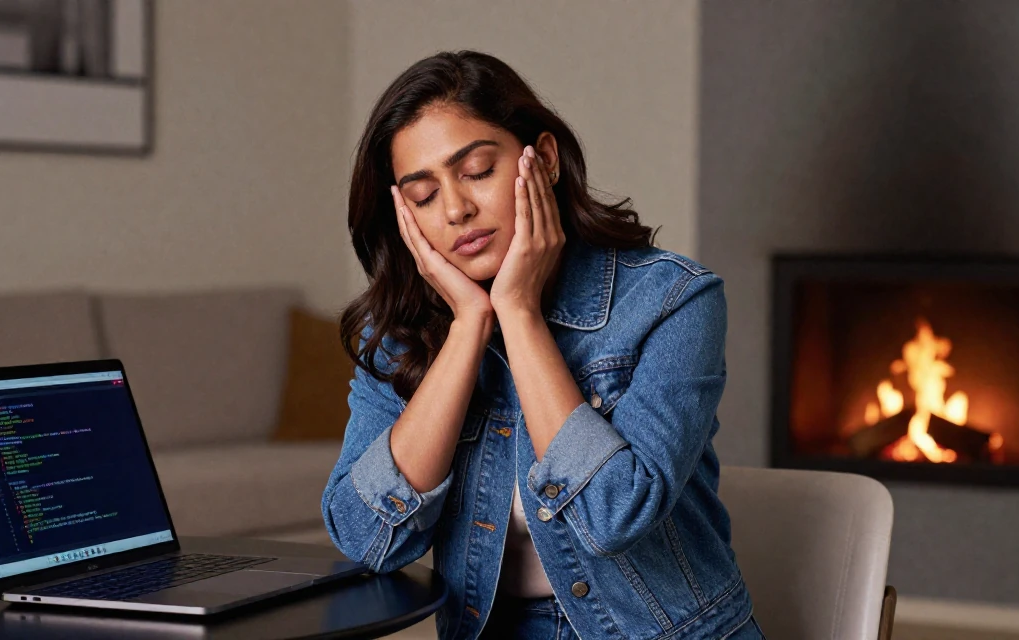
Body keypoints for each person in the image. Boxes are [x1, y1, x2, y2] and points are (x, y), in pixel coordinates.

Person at [322, 50, 765, 639]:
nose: (456, 209)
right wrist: (468, 329)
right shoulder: (401, 334)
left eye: (478, 170)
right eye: (424, 196)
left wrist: (520, 313)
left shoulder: (671, 301)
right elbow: (367, 539)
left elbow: (612, 516)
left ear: (546, 160)